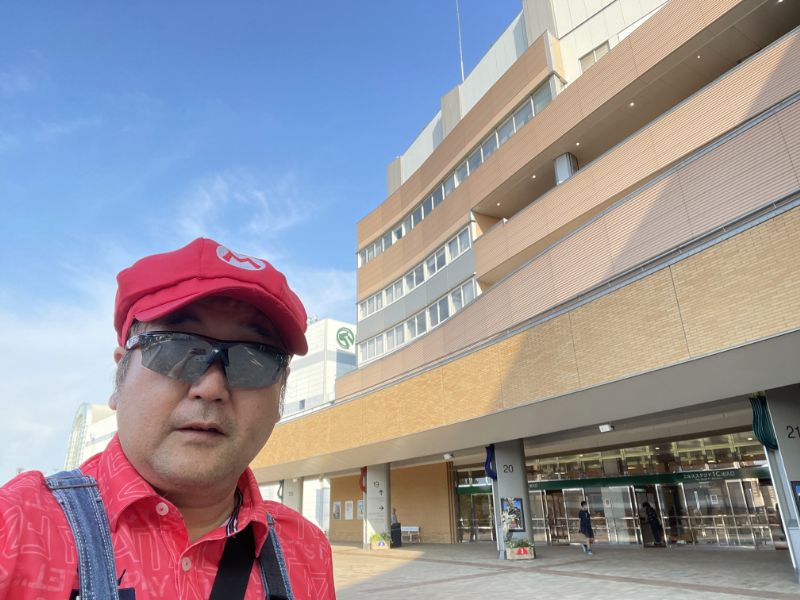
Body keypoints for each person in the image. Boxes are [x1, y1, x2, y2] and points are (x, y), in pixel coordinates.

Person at [0, 238, 336, 599]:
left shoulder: (306, 550)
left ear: (280, 396)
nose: (211, 387)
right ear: (119, 379)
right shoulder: (16, 528)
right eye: (175, 348)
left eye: (253, 359)